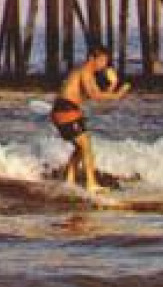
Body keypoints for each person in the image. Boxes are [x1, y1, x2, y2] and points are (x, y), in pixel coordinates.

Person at [51, 44, 130, 193]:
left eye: (106, 61)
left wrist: (112, 85)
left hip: (69, 110)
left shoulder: (87, 73)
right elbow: (96, 95)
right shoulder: (85, 71)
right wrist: (118, 94)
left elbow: (94, 96)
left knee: (81, 147)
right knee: (86, 146)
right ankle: (91, 184)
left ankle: (69, 180)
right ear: (91, 58)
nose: (104, 65)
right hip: (65, 110)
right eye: (102, 60)